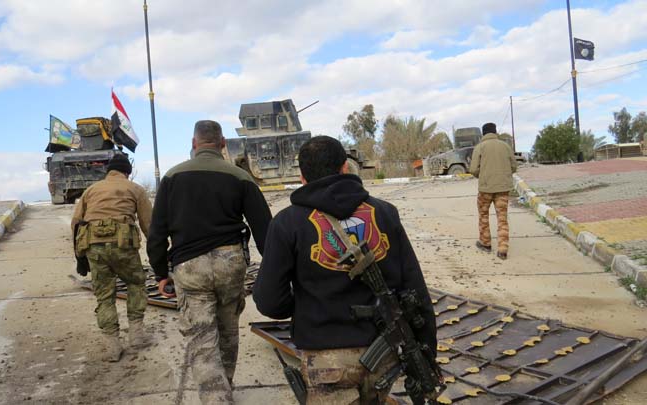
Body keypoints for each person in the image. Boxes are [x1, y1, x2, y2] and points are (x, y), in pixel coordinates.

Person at [253, 136, 436, 404]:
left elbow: (269, 301)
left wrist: (307, 309)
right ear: (345, 168)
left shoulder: (286, 223)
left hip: (326, 359)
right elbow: (415, 288)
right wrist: (428, 350)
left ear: (302, 177)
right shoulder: (385, 213)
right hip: (382, 352)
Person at [147, 120, 272, 404]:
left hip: (190, 267)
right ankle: (225, 387)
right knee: (227, 330)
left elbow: (157, 232)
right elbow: (265, 228)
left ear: (194, 143)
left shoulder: (172, 177)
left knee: (202, 338)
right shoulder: (239, 176)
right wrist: (275, 269)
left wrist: (159, 273)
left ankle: (216, 399)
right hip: (230, 262)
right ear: (223, 143)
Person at [71, 153, 153, 362]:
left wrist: (80, 256)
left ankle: (112, 346)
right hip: (123, 246)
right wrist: (158, 253)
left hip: (95, 248)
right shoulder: (135, 189)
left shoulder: (91, 190)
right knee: (135, 283)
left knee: (104, 294)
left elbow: (76, 223)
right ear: (128, 172)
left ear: (108, 172)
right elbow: (148, 225)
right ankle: (136, 335)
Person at [469, 122, 518, 260]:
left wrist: (482, 174)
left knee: (483, 215)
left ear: (483, 134)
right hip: (503, 188)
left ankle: (485, 243)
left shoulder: (480, 147)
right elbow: (514, 166)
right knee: (502, 218)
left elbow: (473, 169)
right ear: (495, 132)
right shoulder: (506, 146)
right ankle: (503, 250)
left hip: (485, 189)